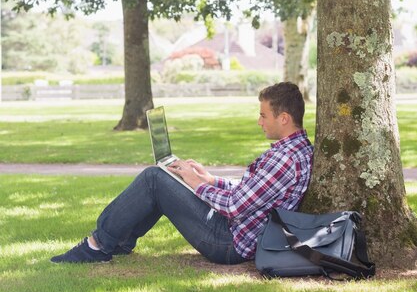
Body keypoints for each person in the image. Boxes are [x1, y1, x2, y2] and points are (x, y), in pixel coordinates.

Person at [51, 82, 313, 265]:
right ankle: (119, 241)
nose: (259, 122)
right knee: (165, 178)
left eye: (263, 115)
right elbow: (252, 192)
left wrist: (195, 183)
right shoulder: (297, 148)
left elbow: (234, 206)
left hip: (230, 242)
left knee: (155, 179)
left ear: (284, 118)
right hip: (236, 230)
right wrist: (209, 179)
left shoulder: (284, 158)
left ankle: (97, 245)